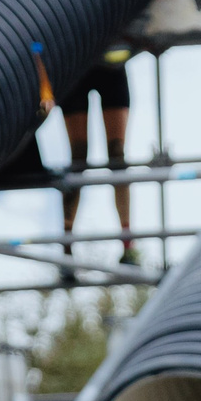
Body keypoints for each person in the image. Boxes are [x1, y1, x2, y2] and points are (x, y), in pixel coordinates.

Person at [62, 50, 136, 264]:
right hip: (77, 63)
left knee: (117, 155)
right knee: (78, 158)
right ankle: (66, 248)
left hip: (111, 63)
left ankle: (128, 246)